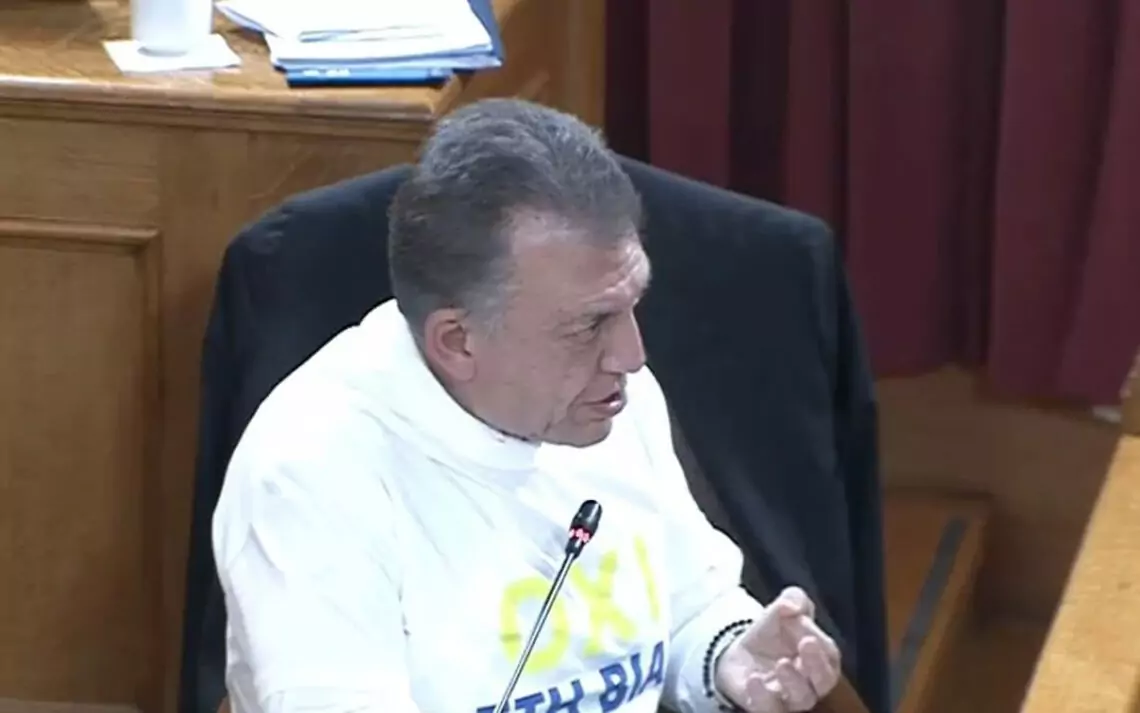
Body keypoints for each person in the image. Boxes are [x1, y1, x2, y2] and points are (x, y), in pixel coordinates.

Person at [212, 98, 842, 713]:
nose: (632, 356)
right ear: (458, 341)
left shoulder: (605, 402)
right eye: (590, 325)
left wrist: (728, 657)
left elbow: (688, 606)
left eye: (632, 305)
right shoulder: (307, 476)